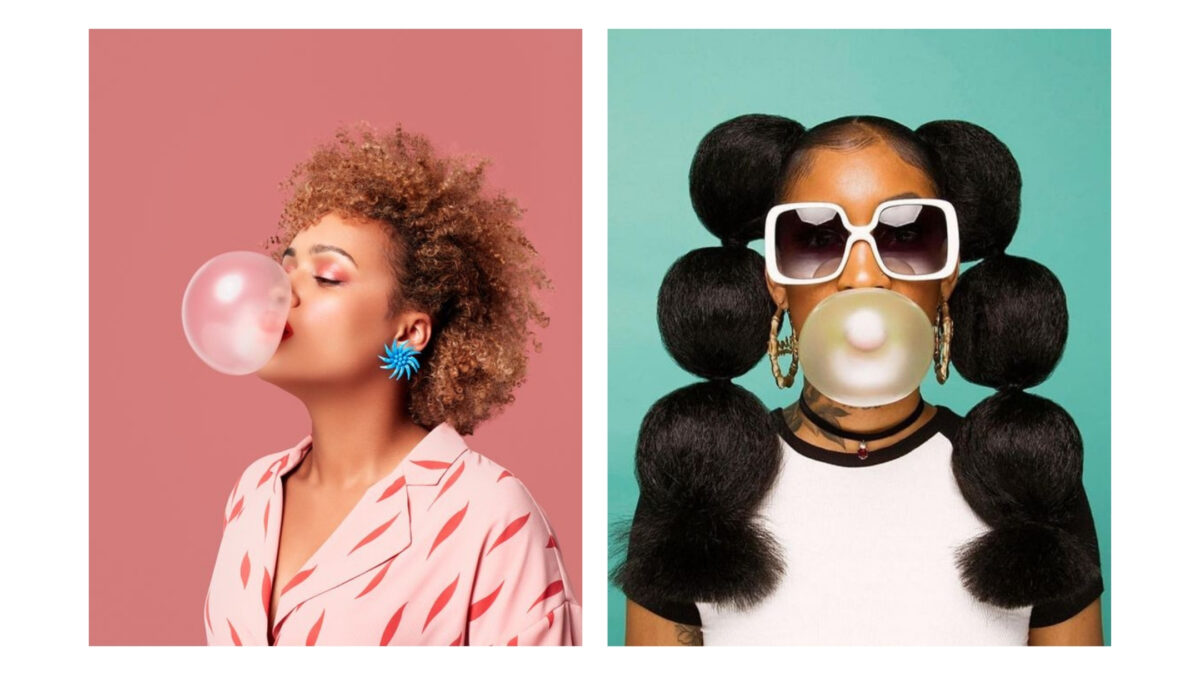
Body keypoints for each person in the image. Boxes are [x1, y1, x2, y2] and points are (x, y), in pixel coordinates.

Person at [614, 115, 1104, 646]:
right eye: (817, 237)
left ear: (949, 273)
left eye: (907, 234)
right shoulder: (698, 479)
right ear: (775, 279)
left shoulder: (1028, 476)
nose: (864, 274)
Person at [203, 124, 580, 646]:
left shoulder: (490, 513)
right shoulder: (254, 491)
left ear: (408, 332)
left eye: (326, 276)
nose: (280, 293)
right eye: (283, 270)